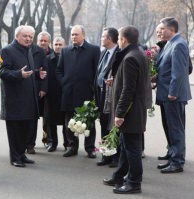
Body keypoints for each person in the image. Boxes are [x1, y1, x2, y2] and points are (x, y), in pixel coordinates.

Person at [103, 26, 149, 194]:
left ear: (123, 39)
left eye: (120, 38)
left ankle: (134, 183)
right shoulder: (138, 53)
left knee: (132, 148)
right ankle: (119, 175)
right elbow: (131, 82)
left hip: (130, 110)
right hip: (135, 109)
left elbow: (129, 89)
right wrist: (114, 82)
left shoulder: (130, 57)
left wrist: (120, 113)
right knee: (125, 145)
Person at [0, 25, 47, 167]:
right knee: (15, 131)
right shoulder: (7, 50)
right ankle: (15, 157)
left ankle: (21, 154)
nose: (28, 39)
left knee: (25, 130)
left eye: (30, 37)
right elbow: (2, 72)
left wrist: (37, 75)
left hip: (28, 99)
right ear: (16, 36)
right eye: (25, 36)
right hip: (14, 100)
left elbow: (28, 72)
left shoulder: (28, 51)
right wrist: (18, 74)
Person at [56, 25, 100, 158]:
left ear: (83, 35)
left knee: (89, 123)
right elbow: (58, 70)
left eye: (76, 34)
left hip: (86, 93)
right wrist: (64, 83)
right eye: (72, 34)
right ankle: (72, 146)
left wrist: (93, 88)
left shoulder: (93, 50)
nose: (74, 37)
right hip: (69, 93)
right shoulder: (66, 51)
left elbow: (97, 71)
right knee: (70, 122)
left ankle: (90, 148)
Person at [155, 17, 192, 173]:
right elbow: (187, 67)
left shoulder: (178, 45)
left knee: (176, 129)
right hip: (166, 94)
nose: (160, 32)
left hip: (172, 96)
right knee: (170, 128)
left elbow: (180, 73)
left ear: (172, 29)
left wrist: (173, 92)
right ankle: (172, 156)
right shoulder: (170, 44)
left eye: (162, 29)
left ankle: (177, 162)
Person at [95, 27, 120, 167]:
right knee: (104, 125)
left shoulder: (119, 53)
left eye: (103, 36)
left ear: (110, 39)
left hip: (112, 97)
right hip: (101, 95)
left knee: (113, 128)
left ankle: (115, 157)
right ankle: (106, 155)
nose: (101, 39)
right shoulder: (103, 52)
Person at [45, 36, 68, 152]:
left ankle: (67, 143)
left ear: (64, 45)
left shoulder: (69, 58)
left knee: (66, 120)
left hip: (65, 93)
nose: (58, 46)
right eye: (56, 44)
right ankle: (52, 142)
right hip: (51, 94)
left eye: (60, 44)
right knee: (50, 120)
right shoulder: (47, 59)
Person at [37, 31, 52, 147]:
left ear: (49, 42)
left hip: (48, 91)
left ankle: (46, 139)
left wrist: (44, 88)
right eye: (41, 40)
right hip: (33, 90)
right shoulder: (31, 52)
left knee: (47, 118)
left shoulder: (53, 54)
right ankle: (29, 142)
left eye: (45, 41)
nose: (42, 43)